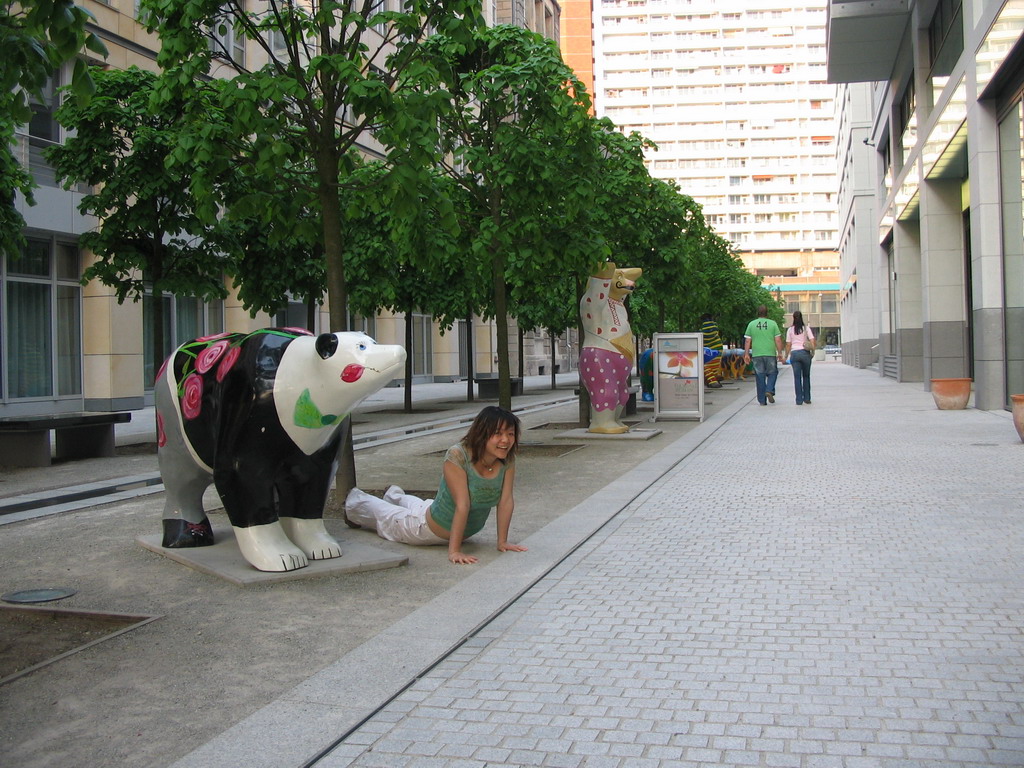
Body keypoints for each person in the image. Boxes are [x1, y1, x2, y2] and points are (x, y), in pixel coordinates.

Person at [344, 406, 527, 565]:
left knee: (422, 505)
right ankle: (352, 502)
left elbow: (505, 501)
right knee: (385, 516)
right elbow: (462, 505)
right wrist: (454, 551)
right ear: (482, 433)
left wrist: (502, 542)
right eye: (498, 433)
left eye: (510, 433)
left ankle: (393, 494)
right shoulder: (457, 456)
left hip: (437, 511)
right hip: (426, 529)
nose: (506, 440)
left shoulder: (506, 459)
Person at [743, 305, 784, 406]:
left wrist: (746, 354)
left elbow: (748, 340)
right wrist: (779, 353)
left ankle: (762, 400)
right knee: (773, 373)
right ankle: (769, 390)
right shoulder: (773, 324)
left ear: (758, 313)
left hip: (757, 354)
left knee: (760, 376)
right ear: (767, 313)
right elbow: (778, 340)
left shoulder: (751, 324)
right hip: (770, 353)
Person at [784, 310, 815, 405]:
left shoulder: (790, 330)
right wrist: (812, 352)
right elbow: (812, 340)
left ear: (793, 318)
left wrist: (786, 356)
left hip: (795, 354)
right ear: (801, 317)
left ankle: (799, 400)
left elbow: (788, 344)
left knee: (797, 377)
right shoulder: (806, 328)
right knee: (806, 376)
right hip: (805, 353)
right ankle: (807, 398)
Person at [699, 313, 724, 388]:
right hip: (717, 349)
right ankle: (714, 377)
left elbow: (705, 337)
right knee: (714, 366)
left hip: (711, 351)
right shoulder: (715, 326)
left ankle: (712, 380)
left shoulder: (705, 328)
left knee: (708, 366)